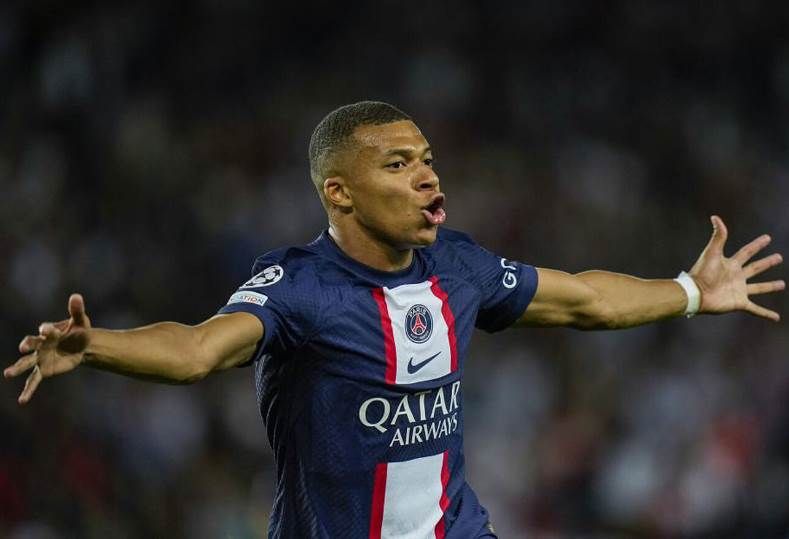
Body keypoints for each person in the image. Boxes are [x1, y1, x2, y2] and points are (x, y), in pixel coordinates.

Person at [5, 101, 784, 538]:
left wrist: (689, 289)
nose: (426, 176)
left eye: (427, 158)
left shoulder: (459, 266)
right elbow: (198, 349)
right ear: (338, 192)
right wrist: (96, 346)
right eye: (397, 163)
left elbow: (585, 299)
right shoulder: (300, 286)